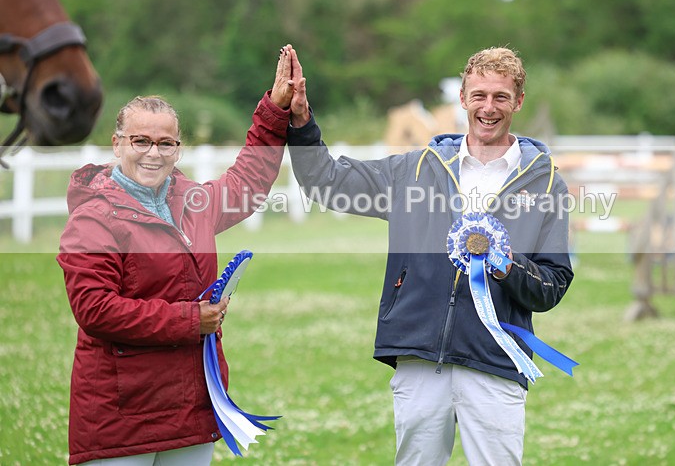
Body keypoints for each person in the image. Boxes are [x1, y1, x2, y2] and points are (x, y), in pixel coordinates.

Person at [284, 46, 574, 465]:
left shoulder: (546, 186)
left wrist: (508, 266)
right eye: (479, 96)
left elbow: (553, 285)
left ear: (518, 102)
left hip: (494, 360)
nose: (488, 108)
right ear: (462, 98)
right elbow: (325, 181)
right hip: (420, 357)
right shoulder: (414, 170)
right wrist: (300, 122)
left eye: (500, 97)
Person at [56, 46, 300, 465]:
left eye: (166, 143)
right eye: (141, 141)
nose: (154, 153)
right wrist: (191, 320)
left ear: (179, 149)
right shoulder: (93, 218)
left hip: (189, 408)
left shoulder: (193, 202)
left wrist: (274, 110)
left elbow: (250, 179)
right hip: (120, 417)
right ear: (117, 145)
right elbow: (95, 310)